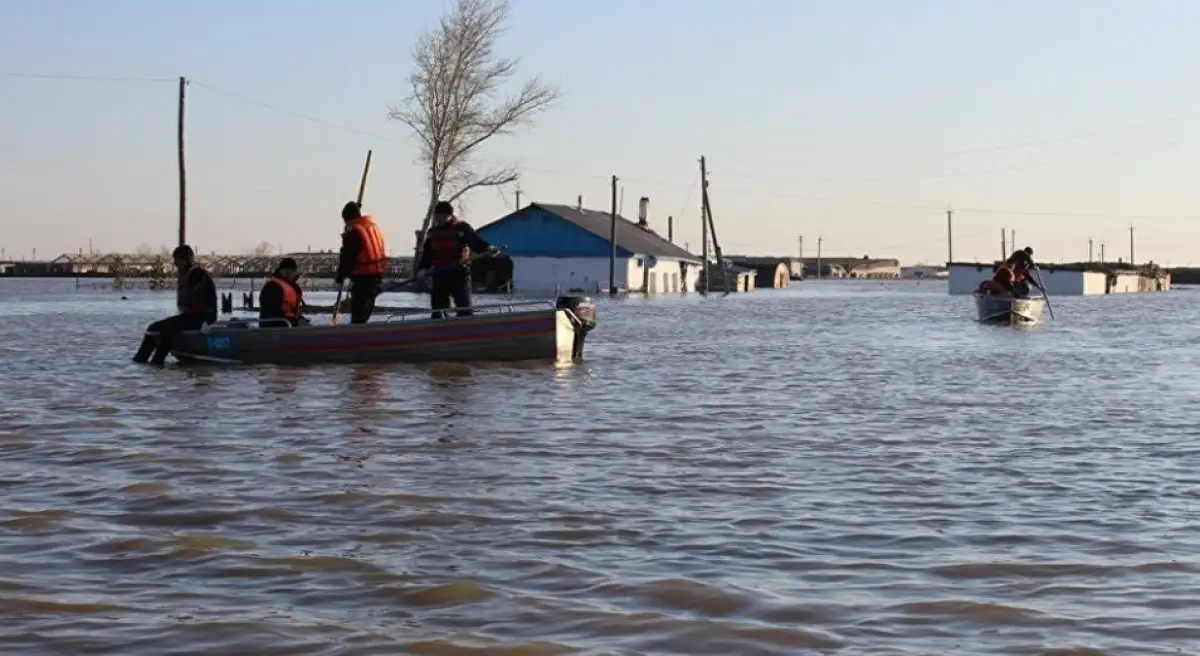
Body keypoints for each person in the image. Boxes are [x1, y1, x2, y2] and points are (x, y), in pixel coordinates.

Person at [132, 245, 217, 365]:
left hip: (202, 318)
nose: (175, 264)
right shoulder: (188, 275)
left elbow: (201, 299)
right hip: (192, 316)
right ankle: (142, 361)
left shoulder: (197, 274)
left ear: (185, 260)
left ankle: (157, 362)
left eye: (177, 260)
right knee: (152, 329)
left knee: (169, 329)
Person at [416, 201, 498, 318]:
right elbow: (427, 255)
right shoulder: (432, 233)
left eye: (441, 216)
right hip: (439, 274)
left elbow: (476, 242)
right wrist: (422, 269)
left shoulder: (462, 228)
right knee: (438, 311)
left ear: (449, 215)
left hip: (459, 273)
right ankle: (438, 330)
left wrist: (488, 248)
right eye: (437, 216)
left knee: (464, 309)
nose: (438, 219)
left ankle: (465, 328)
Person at [334, 201, 387, 324]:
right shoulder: (372, 227)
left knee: (359, 316)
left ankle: (355, 337)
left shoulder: (354, 233)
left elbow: (348, 257)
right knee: (364, 314)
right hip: (376, 278)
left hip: (362, 280)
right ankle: (361, 334)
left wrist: (340, 276)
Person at [259, 257, 309, 327]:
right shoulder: (272, 287)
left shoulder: (293, 288)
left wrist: (300, 320)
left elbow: (293, 312)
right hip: (274, 328)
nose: (289, 273)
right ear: (280, 270)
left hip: (288, 326)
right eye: (286, 270)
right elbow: (271, 314)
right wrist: (296, 322)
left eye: (292, 271)